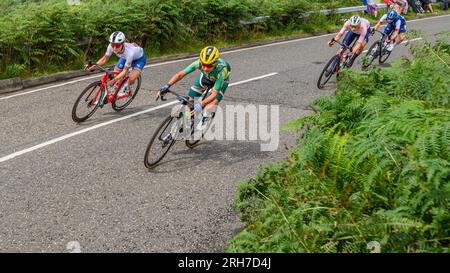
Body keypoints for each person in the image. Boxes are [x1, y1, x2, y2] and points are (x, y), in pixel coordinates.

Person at [157, 46, 231, 129]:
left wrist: (200, 105)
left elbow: (214, 94)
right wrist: (167, 86)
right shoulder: (199, 63)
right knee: (190, 101)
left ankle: (206, 117)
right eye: (204, 65)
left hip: (221, 81)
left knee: (212, 103)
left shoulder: (222, 71)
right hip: (206, 77)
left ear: (215, 63)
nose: (206, 68)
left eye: (209, 66)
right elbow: (181, 74)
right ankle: (188, 119)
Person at [88, 31, 146, 105]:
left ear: (122, 44)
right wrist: (93, 67)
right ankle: (115, 90)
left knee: (131, 78)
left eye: (117, 45)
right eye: (113, 45)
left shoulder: (130, 52)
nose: (114, 48)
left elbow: (125, 71)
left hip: (139, 59)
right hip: (124, 57)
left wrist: (113, 80)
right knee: (116, 74)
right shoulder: (111, 47)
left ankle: (126, 88)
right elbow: (104, 59)